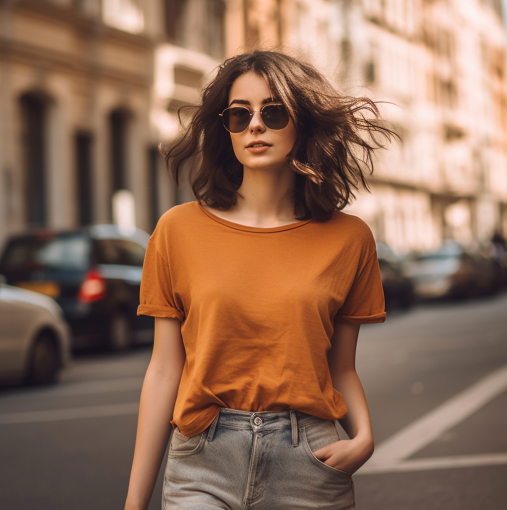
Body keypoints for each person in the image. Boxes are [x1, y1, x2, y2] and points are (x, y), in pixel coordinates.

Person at [124, 50, 396, 510]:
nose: (255, 125)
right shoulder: (176, 230)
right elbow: (165, 370)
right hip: (202, 462)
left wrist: (365, 436)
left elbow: (340, 367)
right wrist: (134, 504)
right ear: (224, 126)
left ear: (303, 122)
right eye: (239, 114)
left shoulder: (349, 239)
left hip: (308, 463)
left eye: (273, 112)